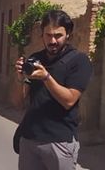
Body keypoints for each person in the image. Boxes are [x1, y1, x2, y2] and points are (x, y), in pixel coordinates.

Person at [14, 9, 93, 170]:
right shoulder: (36, 59)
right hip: (29, 139)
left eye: (58, 35)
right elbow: (17, 102)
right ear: (41, 35)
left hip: (59, 141)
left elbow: (69, 100)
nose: (53, 41)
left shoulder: (79, 61)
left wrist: (46, 78)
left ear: (68, 34)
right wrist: (19, 78)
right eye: (48, 35)